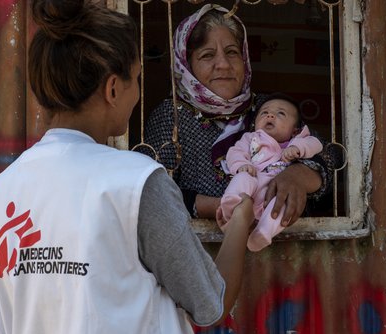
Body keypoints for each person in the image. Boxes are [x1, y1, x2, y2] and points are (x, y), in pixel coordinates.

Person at [0, 1, 254, 334]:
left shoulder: (3, 191)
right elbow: (210, 303)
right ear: (112, 89)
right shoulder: (136, 182)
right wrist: (243, 214)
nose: (139, 91)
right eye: (138, 79)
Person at [144, 4, 339, 225]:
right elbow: (153, 194)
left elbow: (328, 155)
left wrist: (297, 176)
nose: (224, 65)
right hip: (204, 248)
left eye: (232, 52)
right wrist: (226, 208)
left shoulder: (265, 108)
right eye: (208, 55)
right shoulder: (171, 117)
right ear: (186, 65)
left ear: (244, 58)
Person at [220, 93, 323, 251]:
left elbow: (316, 144)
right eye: (264, 112)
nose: (270, 114)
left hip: (274, 192)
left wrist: (297, 148)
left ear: (295, 130)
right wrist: (242, 165)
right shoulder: (251, 138)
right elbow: (235, 152)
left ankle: (264, 233)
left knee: (283, 204)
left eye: (280, 113)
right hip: (253, 182)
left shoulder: (296, 141)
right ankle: (231, 206)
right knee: (242, 179)